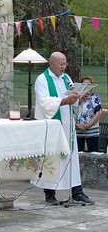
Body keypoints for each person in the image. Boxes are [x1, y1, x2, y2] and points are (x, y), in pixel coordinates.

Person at [33, 51, 94, 205]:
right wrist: (67, 100)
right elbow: (45, 102)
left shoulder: (66, 78)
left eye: (65, 63)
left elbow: (73, 97)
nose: (64, 67)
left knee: (71, 158)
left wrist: (80, 98)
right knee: (52, 158)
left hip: (67, 126)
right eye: (61, 63)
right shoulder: (42, 80)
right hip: (51, 126)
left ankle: (77, 191)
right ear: (51, 63)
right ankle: (49, 193)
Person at [75, 76, 102, 152]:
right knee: (78, 154)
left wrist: (87, 126)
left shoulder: (95, 98)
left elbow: (98, 113)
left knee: (94, 154)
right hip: (78, 131)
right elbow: (71, 112)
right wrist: (76, 124)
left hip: (92, 131)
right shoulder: (75, 98)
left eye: (88, 85)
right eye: (84, 85)